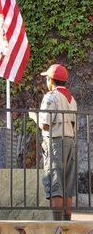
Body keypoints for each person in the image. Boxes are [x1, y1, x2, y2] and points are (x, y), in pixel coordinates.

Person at [29, 64, 77, 220]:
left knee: (55, 183)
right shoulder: (72, 99)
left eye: (47, 78)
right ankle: (67, 222)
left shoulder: (51, 96)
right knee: (67, 185)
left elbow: (45, 124)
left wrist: (33, 116)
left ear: (51, 80)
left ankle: (57, 224)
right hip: (70, 142)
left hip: (55, 142)